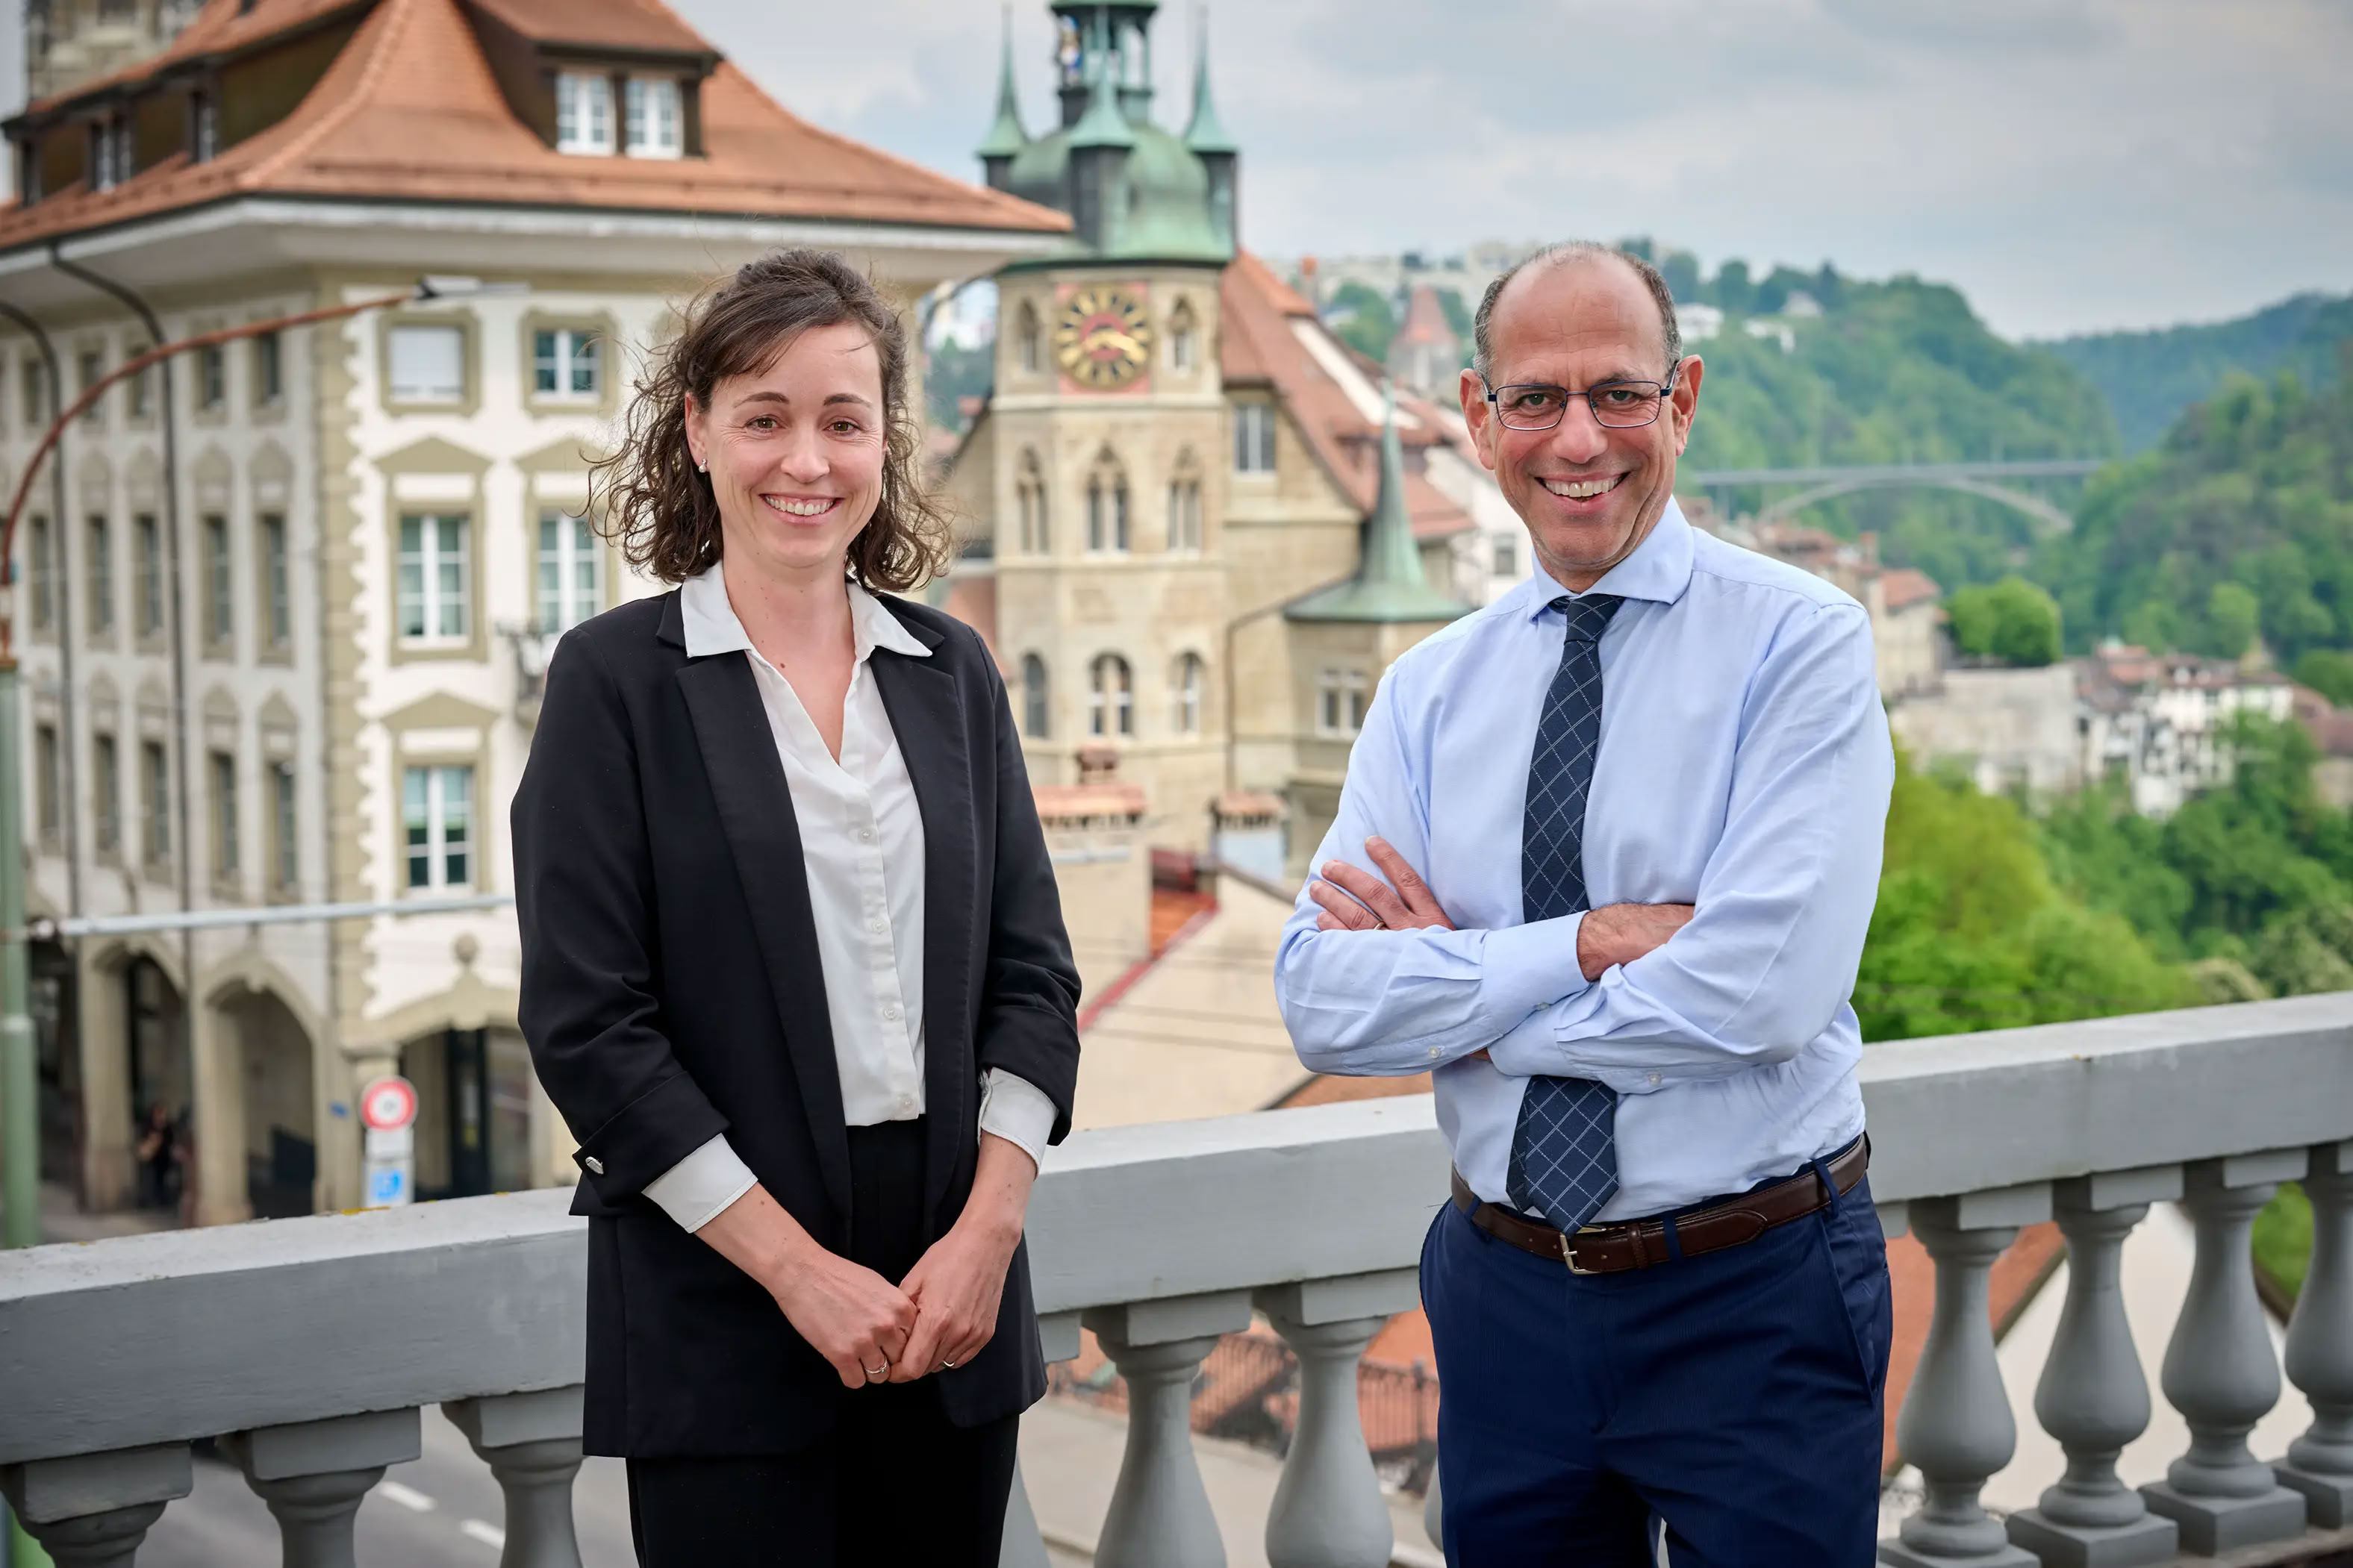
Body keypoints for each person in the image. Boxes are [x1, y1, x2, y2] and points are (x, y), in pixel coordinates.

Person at [1273, 243, 1896, 1566]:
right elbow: (1322, 1002)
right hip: (1504, 1296)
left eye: (1618, 393)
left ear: (1683, 400)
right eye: (1536, 398)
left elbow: (1760, 994)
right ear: (1478, 414)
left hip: (1753, 1296)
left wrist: (1468, 1000)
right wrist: (1587, 944)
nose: (1577, 439)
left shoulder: (1800, 644)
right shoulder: (1427, 693)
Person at [514, 249, 1082, 1567]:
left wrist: (990, 1230)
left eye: (844, 420)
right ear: (698, 431)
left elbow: (1035, 977)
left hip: (951, 1293)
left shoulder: (951, 669)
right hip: (723, 1291)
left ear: (886, 441)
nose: (806, 460)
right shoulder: (613, 683)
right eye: (764, 417)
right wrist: (795, 1270)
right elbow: (591, 1027)